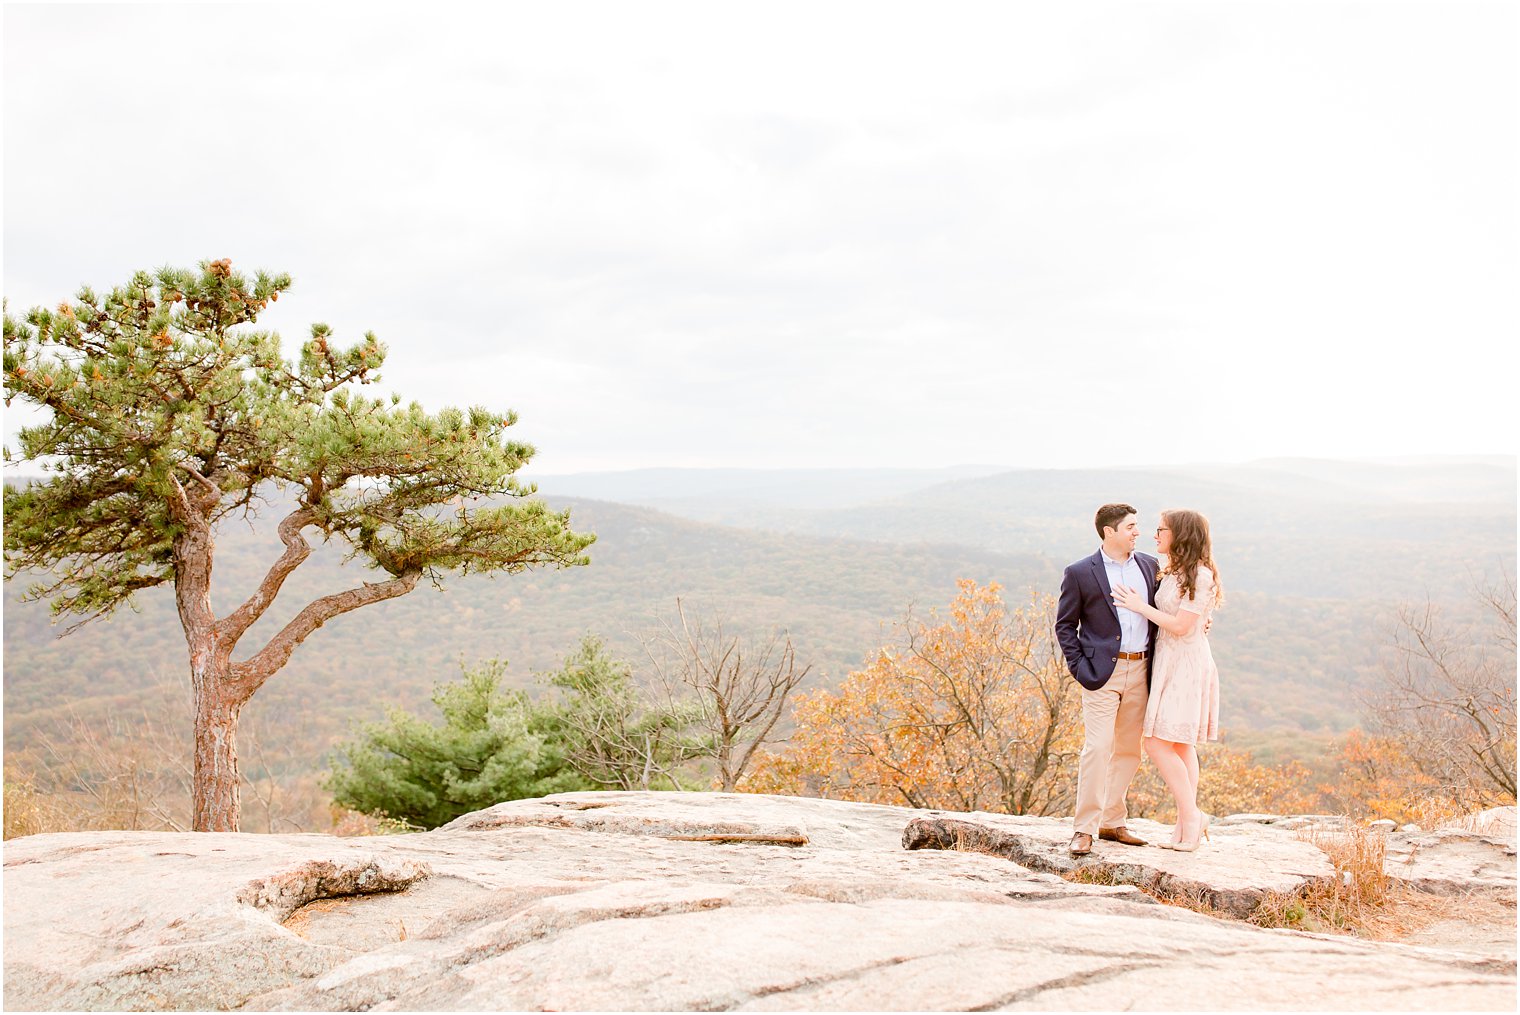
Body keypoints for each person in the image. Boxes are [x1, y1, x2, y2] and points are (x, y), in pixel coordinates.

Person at [1111, 508, 1222, 852]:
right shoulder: (1173, 571)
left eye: (1161, 530)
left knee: (1157, 743)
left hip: (1186, 664)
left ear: (1180, 534)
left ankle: (1191, 816)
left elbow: (1180, 625)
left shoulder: (1200, 575)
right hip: (1168, 660)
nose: (1155, 535)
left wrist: (1137, 606)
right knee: (1180, 743)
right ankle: (1185, 822)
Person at [1054, 503, 1158, 856]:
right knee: (1098, 748)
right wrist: (1080, 668)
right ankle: (1084, 829)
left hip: (1142, 669)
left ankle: (1113, 822)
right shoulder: (1081, 572)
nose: (1137, 532)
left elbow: (1164, 611)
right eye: (1131, 526)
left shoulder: (1149, 566)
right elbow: (1065, 625)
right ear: (1109, 531)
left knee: (1129, 750)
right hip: (1101, 674)